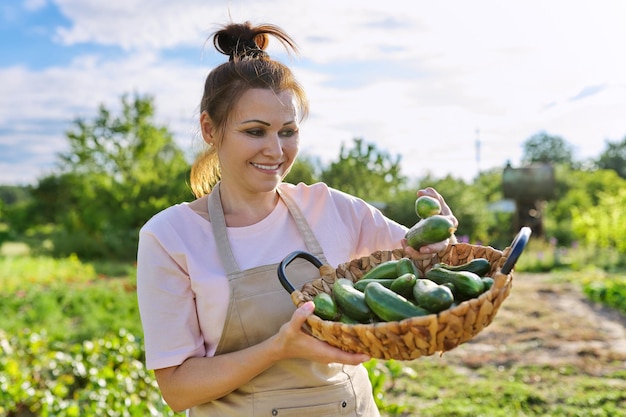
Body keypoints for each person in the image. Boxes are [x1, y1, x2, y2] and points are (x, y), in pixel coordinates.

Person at [136, 21, 458, 416]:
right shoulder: (171, 237)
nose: (275, 150)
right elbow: (178, 390)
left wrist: (439, 244)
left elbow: (427, 266)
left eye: (288, 131)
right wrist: (278, 348)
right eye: (256, 131)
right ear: (210, 129)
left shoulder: (332, 208)